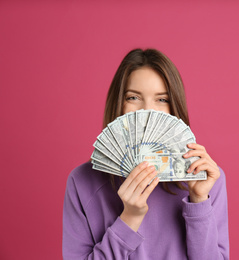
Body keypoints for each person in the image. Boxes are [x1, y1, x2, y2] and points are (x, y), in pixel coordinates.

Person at [63, 48, 229, 259]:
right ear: (118, 104)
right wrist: (129, 219)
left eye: (162, 99)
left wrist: (199, 202)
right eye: (133, 97)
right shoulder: (82, 182)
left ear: (175, 107)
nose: (147, 111)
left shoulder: (206, 180)